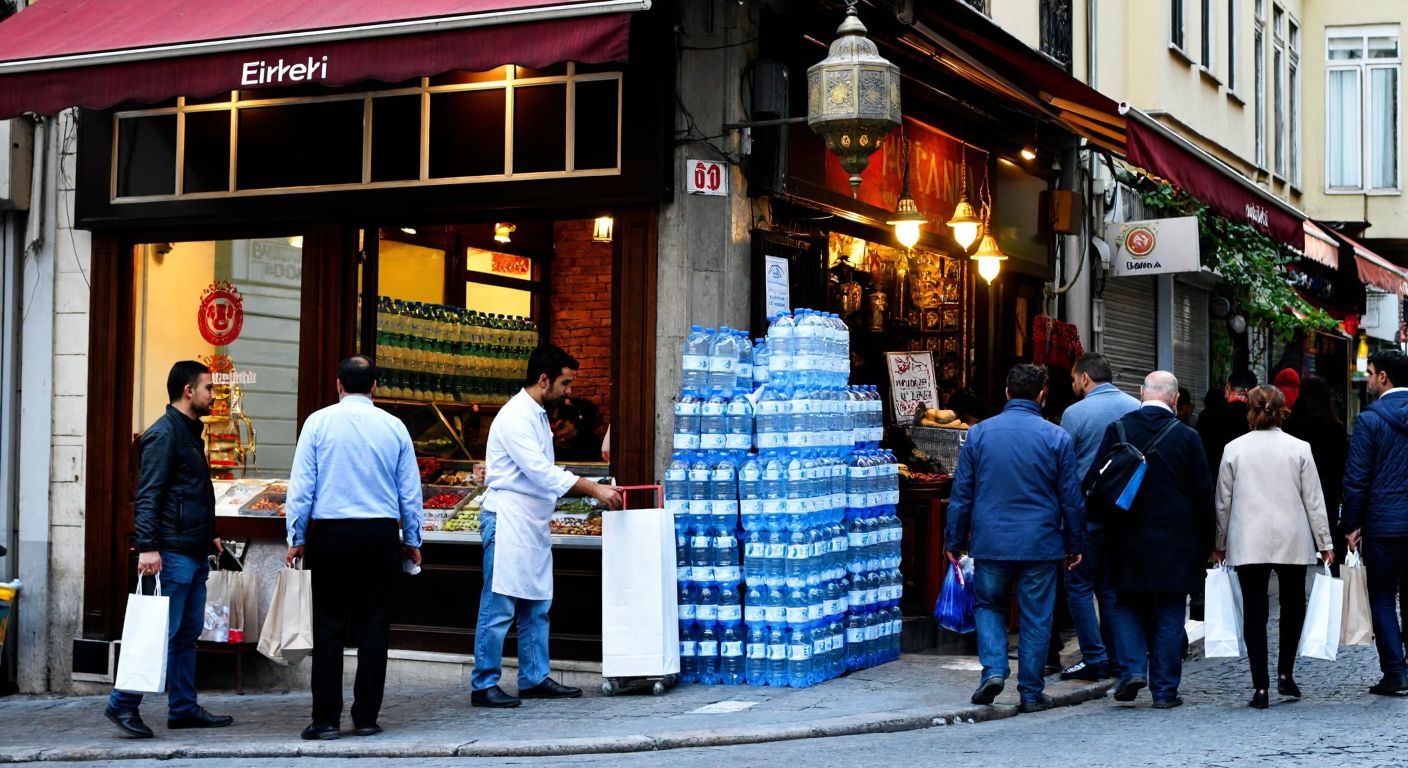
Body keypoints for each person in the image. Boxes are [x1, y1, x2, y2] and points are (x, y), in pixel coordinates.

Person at [472, 345, 624, 708]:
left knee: (537, 604)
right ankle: (484, 682)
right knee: (500, 606)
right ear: (544, 380)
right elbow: (540, 472)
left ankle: (534, 676)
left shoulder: (539, 414)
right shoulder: (514, 418)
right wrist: (593, 489)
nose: (569, 391)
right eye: (565, 383)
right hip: (507, 518)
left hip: (531, 520)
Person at [284, 356, 424, 741]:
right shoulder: (394, 427)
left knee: (328, 627)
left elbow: (301, 488)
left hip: (330, 533)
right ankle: (366, 717)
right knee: (374, 626)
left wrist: (296, 537)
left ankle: (325, 719)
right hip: (379, 534)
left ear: (338, 385)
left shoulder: (318, 422)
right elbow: (410, 492)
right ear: (374, 386)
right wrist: (412, 540)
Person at [945, 364, 1085, 714]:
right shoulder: (1056, 437)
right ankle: (1032, 691)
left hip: (991, 541)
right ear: (1042, 394)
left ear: (1007, 392)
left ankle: (993, 670)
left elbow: (962, 493)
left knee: (989, 605)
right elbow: (1071, 497)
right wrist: (1076, 544)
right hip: (1040, 542)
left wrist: (955, 539)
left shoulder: (979, 434)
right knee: (1037, 616)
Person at [105, 361, 232, 738]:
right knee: (159, 631)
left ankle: (183, 707)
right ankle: (122, 704)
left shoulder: (190, 433)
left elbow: (189, 493)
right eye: (209, 388)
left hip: (192, 550)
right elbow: (149, 496)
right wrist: (148, 547)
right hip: (170, 553)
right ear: (189, 391)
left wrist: (209, 534)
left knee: (186, 633)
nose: (214, 395)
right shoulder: (164, 435)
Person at [1089, 371, 1214, 709]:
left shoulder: (1118, 430)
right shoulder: (1188, 438)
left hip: (1124, 538)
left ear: (1142, 393)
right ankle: (1164, 690)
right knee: (1171, 612)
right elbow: (1204, 497)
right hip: (1175, 543)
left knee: (1126, 605)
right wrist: (1206, 546)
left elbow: (1095, 486)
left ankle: (1131, 670)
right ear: (1174, 399)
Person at [1213, 385, 1334, 709]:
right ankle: (1285, 673)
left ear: (1250, 410)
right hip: (1292, 536)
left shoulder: (1234, 449)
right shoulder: (1300, 448)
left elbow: (1222, 503)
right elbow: (1314, 500)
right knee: (1294, 606)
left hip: (1248, 537)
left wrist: (1219, 543)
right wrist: (1325, 542)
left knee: (1255, 611)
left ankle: (1260, 686)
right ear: (1283, 411)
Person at [1056, 354, 1140, 681]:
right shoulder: (1135, 406)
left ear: (1085, 378)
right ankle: (1118, 657)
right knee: (1110, 588)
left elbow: (1063, 467)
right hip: (1123, 513)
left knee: (1078, 585)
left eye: (1075, 380)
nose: (1074, 385)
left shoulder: (1075, 413)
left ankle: (1094, 657)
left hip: (1085, 513)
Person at [1342, 349, 1408, 697]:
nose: (1367, 380)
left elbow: (1357, 478)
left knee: (1382, 595)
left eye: (1369, 373)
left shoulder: (1370, 420)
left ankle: (1395, 672)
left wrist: (1351, 524)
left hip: (1383, 523)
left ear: (1383, 377)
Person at [1285, 375, 1349, 569]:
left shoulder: (1290, 426)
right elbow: (1342, 465)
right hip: (1327, 491)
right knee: (1326, 535)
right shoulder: (1335, 429)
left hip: (1295, 492)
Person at [1196, 369, 1257, 475]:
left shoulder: (1208, 417)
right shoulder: (1258, 418)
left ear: (1228, 387)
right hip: (1247, 481)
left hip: (1215, 480)